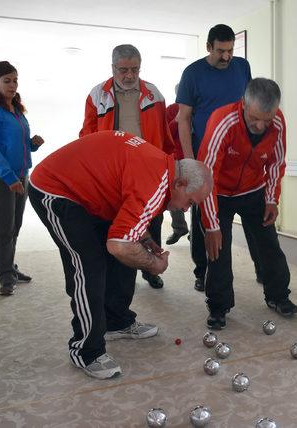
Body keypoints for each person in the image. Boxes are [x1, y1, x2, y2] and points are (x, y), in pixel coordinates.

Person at [28, 130, 212, 379]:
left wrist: (144, 239)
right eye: (190, 202)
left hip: (92, 192)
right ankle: (85, 350)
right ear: (179, 184)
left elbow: (130, 211)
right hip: (56, 189)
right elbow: (119, 246)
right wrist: (153, 265)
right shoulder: (156, 182)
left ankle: (116, 320)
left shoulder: (163, 170)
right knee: (88, 265)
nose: (185, 209)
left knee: (131, 244)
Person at [198, 78, 297, 330]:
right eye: (254, 118)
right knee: (218, 249)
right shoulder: (223, 122)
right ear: (243, 104)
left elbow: (276, 163)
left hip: (253, 190)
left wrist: (272, 199)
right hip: (217, 191)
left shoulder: (277, 122)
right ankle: (219, 306)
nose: (261, 125)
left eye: (267, 118)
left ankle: (278, 296)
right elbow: (206, 174)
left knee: (269, 244)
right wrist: (211, 225)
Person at [177, 23, 263, 293]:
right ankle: (202, 271)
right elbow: (183, 119)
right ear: (208, 47)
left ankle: (264, 269)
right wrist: (190, 162)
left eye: (229, 50)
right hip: (205, 158)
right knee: (204, 217)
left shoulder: (242, 66)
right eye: (220, 51)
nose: (226, 56)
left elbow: (251, 107)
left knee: (255, 217)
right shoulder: (193, 73)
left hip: (240, 158)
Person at [80, 44, 174, 289]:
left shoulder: (154, 94)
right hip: (112, 172)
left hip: (148, 169)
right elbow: (87, 135)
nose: (130, 75)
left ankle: (151, 268)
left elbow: (164, 135)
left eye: (135, 69)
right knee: (120, 220)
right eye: (123, 70)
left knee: (151, 220)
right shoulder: (97, 95)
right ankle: (120, 268)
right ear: (113, 68)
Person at [0, 60, 45, 296]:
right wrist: (9, 177)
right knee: (4, 228)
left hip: (20, 175)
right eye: (7, 81)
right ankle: (5, 276)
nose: (13, 85)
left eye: (15, 80)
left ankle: (10, 267)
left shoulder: (15, 108)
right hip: (1, 178)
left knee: (15, 227)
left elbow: (15, 144)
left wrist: (32, 144)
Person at [164, 84, 190, 245]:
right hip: (175, 160)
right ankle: (179, 227)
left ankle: (198, 233)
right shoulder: (171, 109)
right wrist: (177, 120)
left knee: (196, 195)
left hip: (194, 158)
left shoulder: (199, 109)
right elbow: (165, 134)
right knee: (174, 194)